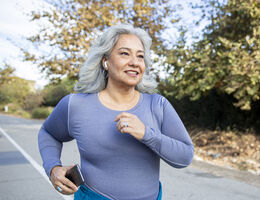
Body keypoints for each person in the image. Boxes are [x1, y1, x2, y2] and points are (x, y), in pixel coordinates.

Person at [38, 24, 194, 200]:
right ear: (105, 61)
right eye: (124, 53)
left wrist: (147, 134)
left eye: (140, 56)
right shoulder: (75, 105)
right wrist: (53, 168)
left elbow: (185, 156)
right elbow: (48, 132)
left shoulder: (158, 105)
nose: (135, 62)